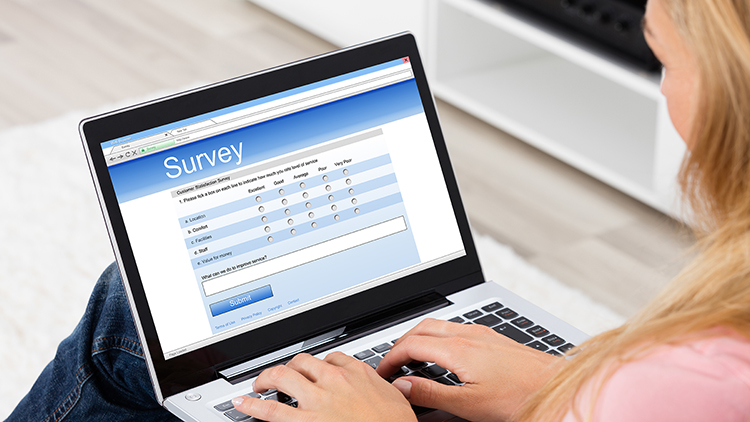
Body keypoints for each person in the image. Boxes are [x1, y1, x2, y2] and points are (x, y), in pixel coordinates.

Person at [8, 0, 750, 421]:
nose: (662, 93)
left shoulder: (703, 374)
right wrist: (560, 396)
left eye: (666, 60)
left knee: (128, 315)